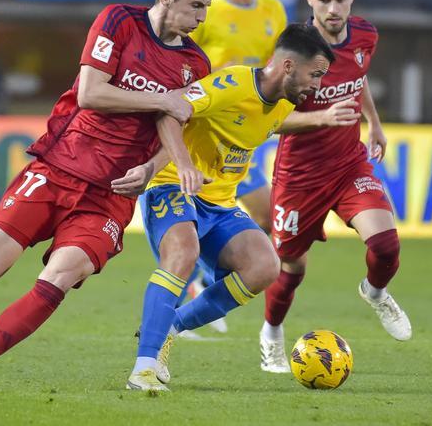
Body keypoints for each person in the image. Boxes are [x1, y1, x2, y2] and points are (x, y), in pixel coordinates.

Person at [0, 0, 217, 391]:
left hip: (112, 195)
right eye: (195, 5)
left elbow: (174, 129)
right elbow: (91, 91)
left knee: (60, 277)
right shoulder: (118, 20)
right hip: (62, 165)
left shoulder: (196, 64)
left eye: (206, 8)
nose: (200, 17)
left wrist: (151, 167)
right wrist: (161, 99)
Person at [112, 24, 335, 392]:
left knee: (265, 265)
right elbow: (170, 110)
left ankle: (172, 325)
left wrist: (322, 120)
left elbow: (271, 124)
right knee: (184, 251)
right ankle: (145, 367)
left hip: (218, 202)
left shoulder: (281, 105)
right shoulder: (231, 85)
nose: (319, 85)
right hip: (171, 184)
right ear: (289, 66)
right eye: (316, 74)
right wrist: (182, 163)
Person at [259, 0, 413, 374]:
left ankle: (375, 293)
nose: (332, 9)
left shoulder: (365, 35)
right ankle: (271, 333)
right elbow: (269, 120)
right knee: (290, 269)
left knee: (386, 247)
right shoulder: (294, 51)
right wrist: (322, 118)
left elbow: (357, 80)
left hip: (349, 166)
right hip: (299, 177)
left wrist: (374, 123)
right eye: (323, 0)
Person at [181, 0, 288, 332]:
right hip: (209, 133)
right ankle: (187, 294)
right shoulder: (210, 10)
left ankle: (207, 283)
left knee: (265, 214)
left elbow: (277, 69)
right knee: (191, 223)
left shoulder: (274, 11)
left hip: (244, 137)